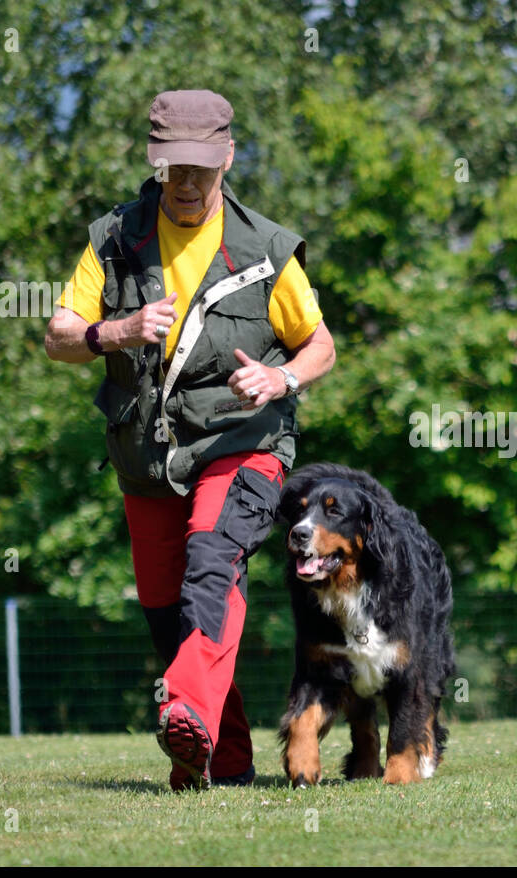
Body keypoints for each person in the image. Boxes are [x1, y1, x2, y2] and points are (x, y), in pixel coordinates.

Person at [44, 89, 335, 790]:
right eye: (175, 167)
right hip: (147, 458)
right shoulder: (114, 237)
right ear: (155, 161)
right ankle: (220, 759)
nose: (189, 182)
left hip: (245, 440)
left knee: (213, 561)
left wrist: (279, 380)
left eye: (203, 167)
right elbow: (58, 336)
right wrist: (113, 330)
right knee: (166, 614)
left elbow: (320, 345)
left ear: (229, 157)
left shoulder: (264, 248)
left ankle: (184, 708)